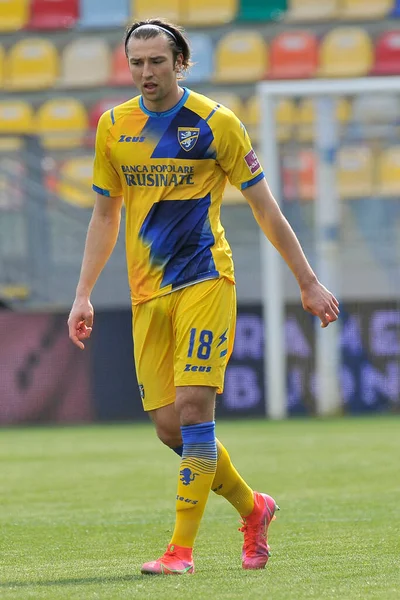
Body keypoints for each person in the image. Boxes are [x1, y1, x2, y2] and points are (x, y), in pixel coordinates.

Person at [68, 18, 340, 576]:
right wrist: (83, 295)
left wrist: (307, 281)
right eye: (137, 62)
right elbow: (104, 214)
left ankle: (180, 552)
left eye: (157, 62)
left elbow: (267, 208)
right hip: (147, 293)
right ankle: (254, 507)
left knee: (195, 412)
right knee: (170, 428)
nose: (146, 72)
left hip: (205, 281)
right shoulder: (113, 127)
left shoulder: (217, 123)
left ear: (179, 63)